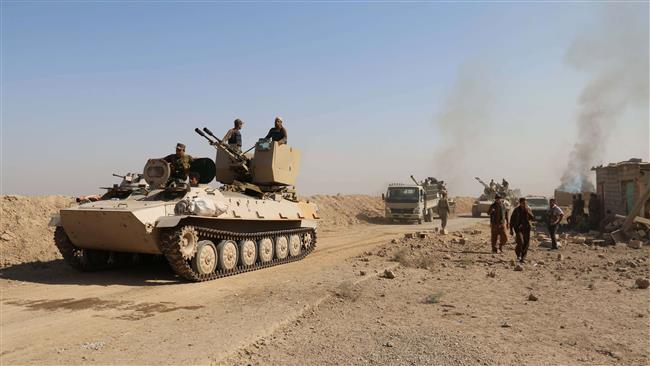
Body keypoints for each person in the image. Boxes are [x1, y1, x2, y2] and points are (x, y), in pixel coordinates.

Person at [510, 197, 535, 263]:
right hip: (518, 229)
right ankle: (518, 253)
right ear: (520, 203)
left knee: (526, 243)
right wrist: (511, 229)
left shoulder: (527, 209)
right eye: (523, 203)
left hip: (526, 228)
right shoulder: (516, 210)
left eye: (525, 203)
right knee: (521, 241)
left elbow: (532, 217)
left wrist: (528, 211)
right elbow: (512, 220)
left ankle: (523, 258)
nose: (524, 204)